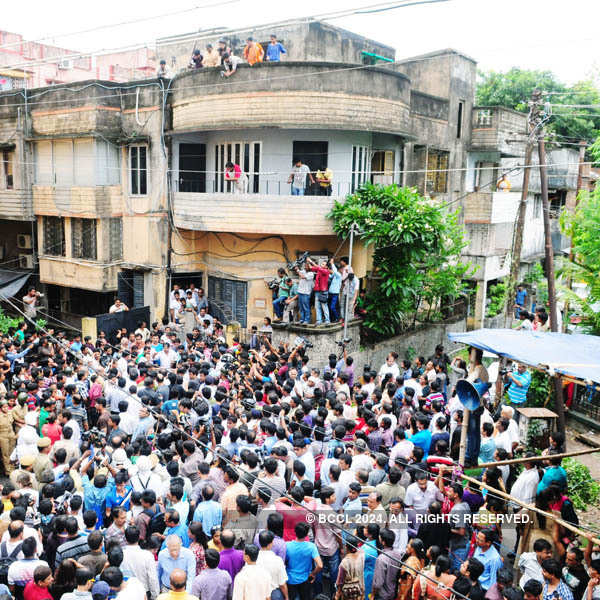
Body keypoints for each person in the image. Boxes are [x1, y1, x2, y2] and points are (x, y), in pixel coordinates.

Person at [285, 522, 322, 600]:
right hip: (305, 579)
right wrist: (313, 574)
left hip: (290, 579)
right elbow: (320, 565)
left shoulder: (287, 545)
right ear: (306, 534)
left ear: (295, 532)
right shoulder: (311, 546)